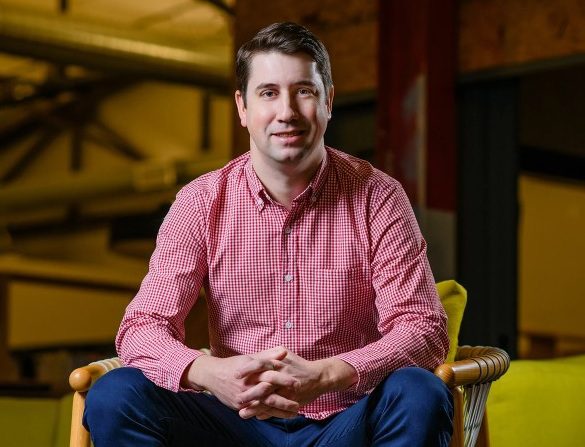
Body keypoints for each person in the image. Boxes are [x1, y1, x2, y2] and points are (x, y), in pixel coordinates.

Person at [84, 22, 453, 446]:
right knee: (116, 395)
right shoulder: (201, 202)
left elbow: (424, 328)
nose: (287, 112)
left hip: (345, 422)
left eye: (304, 91)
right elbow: (142, 327)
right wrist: (210, 373)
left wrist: (327, 373)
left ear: (328, 101)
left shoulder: (377, 196)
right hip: (234, 425)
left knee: (419, 392)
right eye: (268, 93)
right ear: (242, 108)